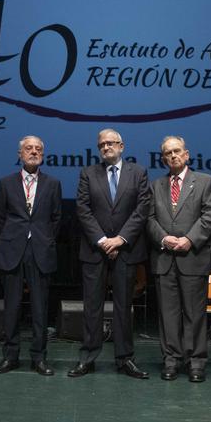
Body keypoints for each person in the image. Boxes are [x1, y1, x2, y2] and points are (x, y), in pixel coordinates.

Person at [68, 129, 150, 379]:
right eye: (101, 144)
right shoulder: (88, 173)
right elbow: (82, 209)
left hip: (126, 250)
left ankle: (125, 359)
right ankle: (88, 357)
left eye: (111, 143)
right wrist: (104, 240)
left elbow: (142, 208)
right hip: (95, 249)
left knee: (124, 307)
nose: (106, 147)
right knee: (92, 307)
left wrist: (120, 240)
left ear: (122, 146)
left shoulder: (139, 173)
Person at [147, 136, 211, 383]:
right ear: (163, 158)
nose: (173, 156)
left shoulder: (205, 182)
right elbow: (149, 218)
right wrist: (165, 239)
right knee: (168, 314)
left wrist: (189, 239)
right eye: (168, 153)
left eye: (177, 151)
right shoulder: (155, 186)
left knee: (194, 313)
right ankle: (171, 360)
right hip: (164, 258)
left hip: (193, 256)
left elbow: (209, 215)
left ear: (187, 154)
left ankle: (196, 361)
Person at [0, 136, 62, 376]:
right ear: (20, 154)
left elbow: (56, 219)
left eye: (38, 149)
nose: (34, 152)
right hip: (12, 249)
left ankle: (39, 358)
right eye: (29, 148)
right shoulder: (6, 182)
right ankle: (10, 357)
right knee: (11, 306)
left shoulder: (53, 183)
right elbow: (0, 218)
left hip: (41, 250)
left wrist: (43, 239)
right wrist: (15, 238)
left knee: (40, 308)